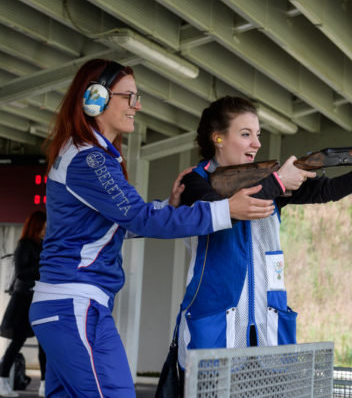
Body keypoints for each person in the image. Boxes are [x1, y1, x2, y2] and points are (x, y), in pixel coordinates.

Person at [29, 60, 275, 398]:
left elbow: (117, 225)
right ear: (95, 99)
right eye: (129, 97)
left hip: (66, 306)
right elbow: (140, 219)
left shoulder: (88, 154)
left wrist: (167, 207)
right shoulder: (91, 160)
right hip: (75, 306)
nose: (138, 106)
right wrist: (225, 210)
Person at [174, 96, 352, 367]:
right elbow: (220, 210)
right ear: (217, 138)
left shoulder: (266, 179)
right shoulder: (195, 182)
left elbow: (327, 190)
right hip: (217, 327)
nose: (257, 143)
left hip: (268, 325)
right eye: (245, 134)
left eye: (258, 134)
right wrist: (277, 182)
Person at [0, 211, 47, 397]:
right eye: (43, 228)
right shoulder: (24, 245)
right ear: (35, 227)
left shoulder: (43, 245)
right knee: (16, 343)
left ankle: (44, 385)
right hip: (23, 300)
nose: (45, 231)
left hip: (38, 299)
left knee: (45, 343)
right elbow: (22, 272)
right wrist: (43, 265)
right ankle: (2, 381)